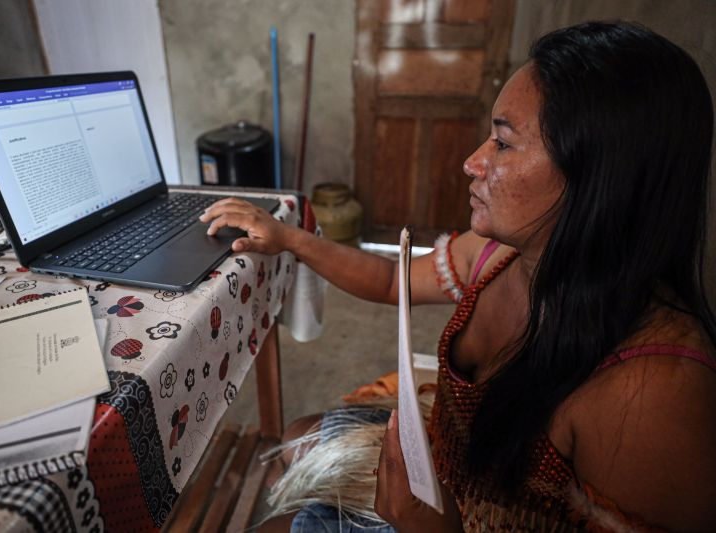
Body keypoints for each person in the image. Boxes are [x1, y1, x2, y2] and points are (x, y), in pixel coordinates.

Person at [200, 21, 716, 532]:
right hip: (447, 474)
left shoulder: (654, 391)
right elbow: (389, 281)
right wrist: (289, 238)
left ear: (600, 176)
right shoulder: (500, 255)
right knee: (298, 436)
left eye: (504, 144)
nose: (473, 162)